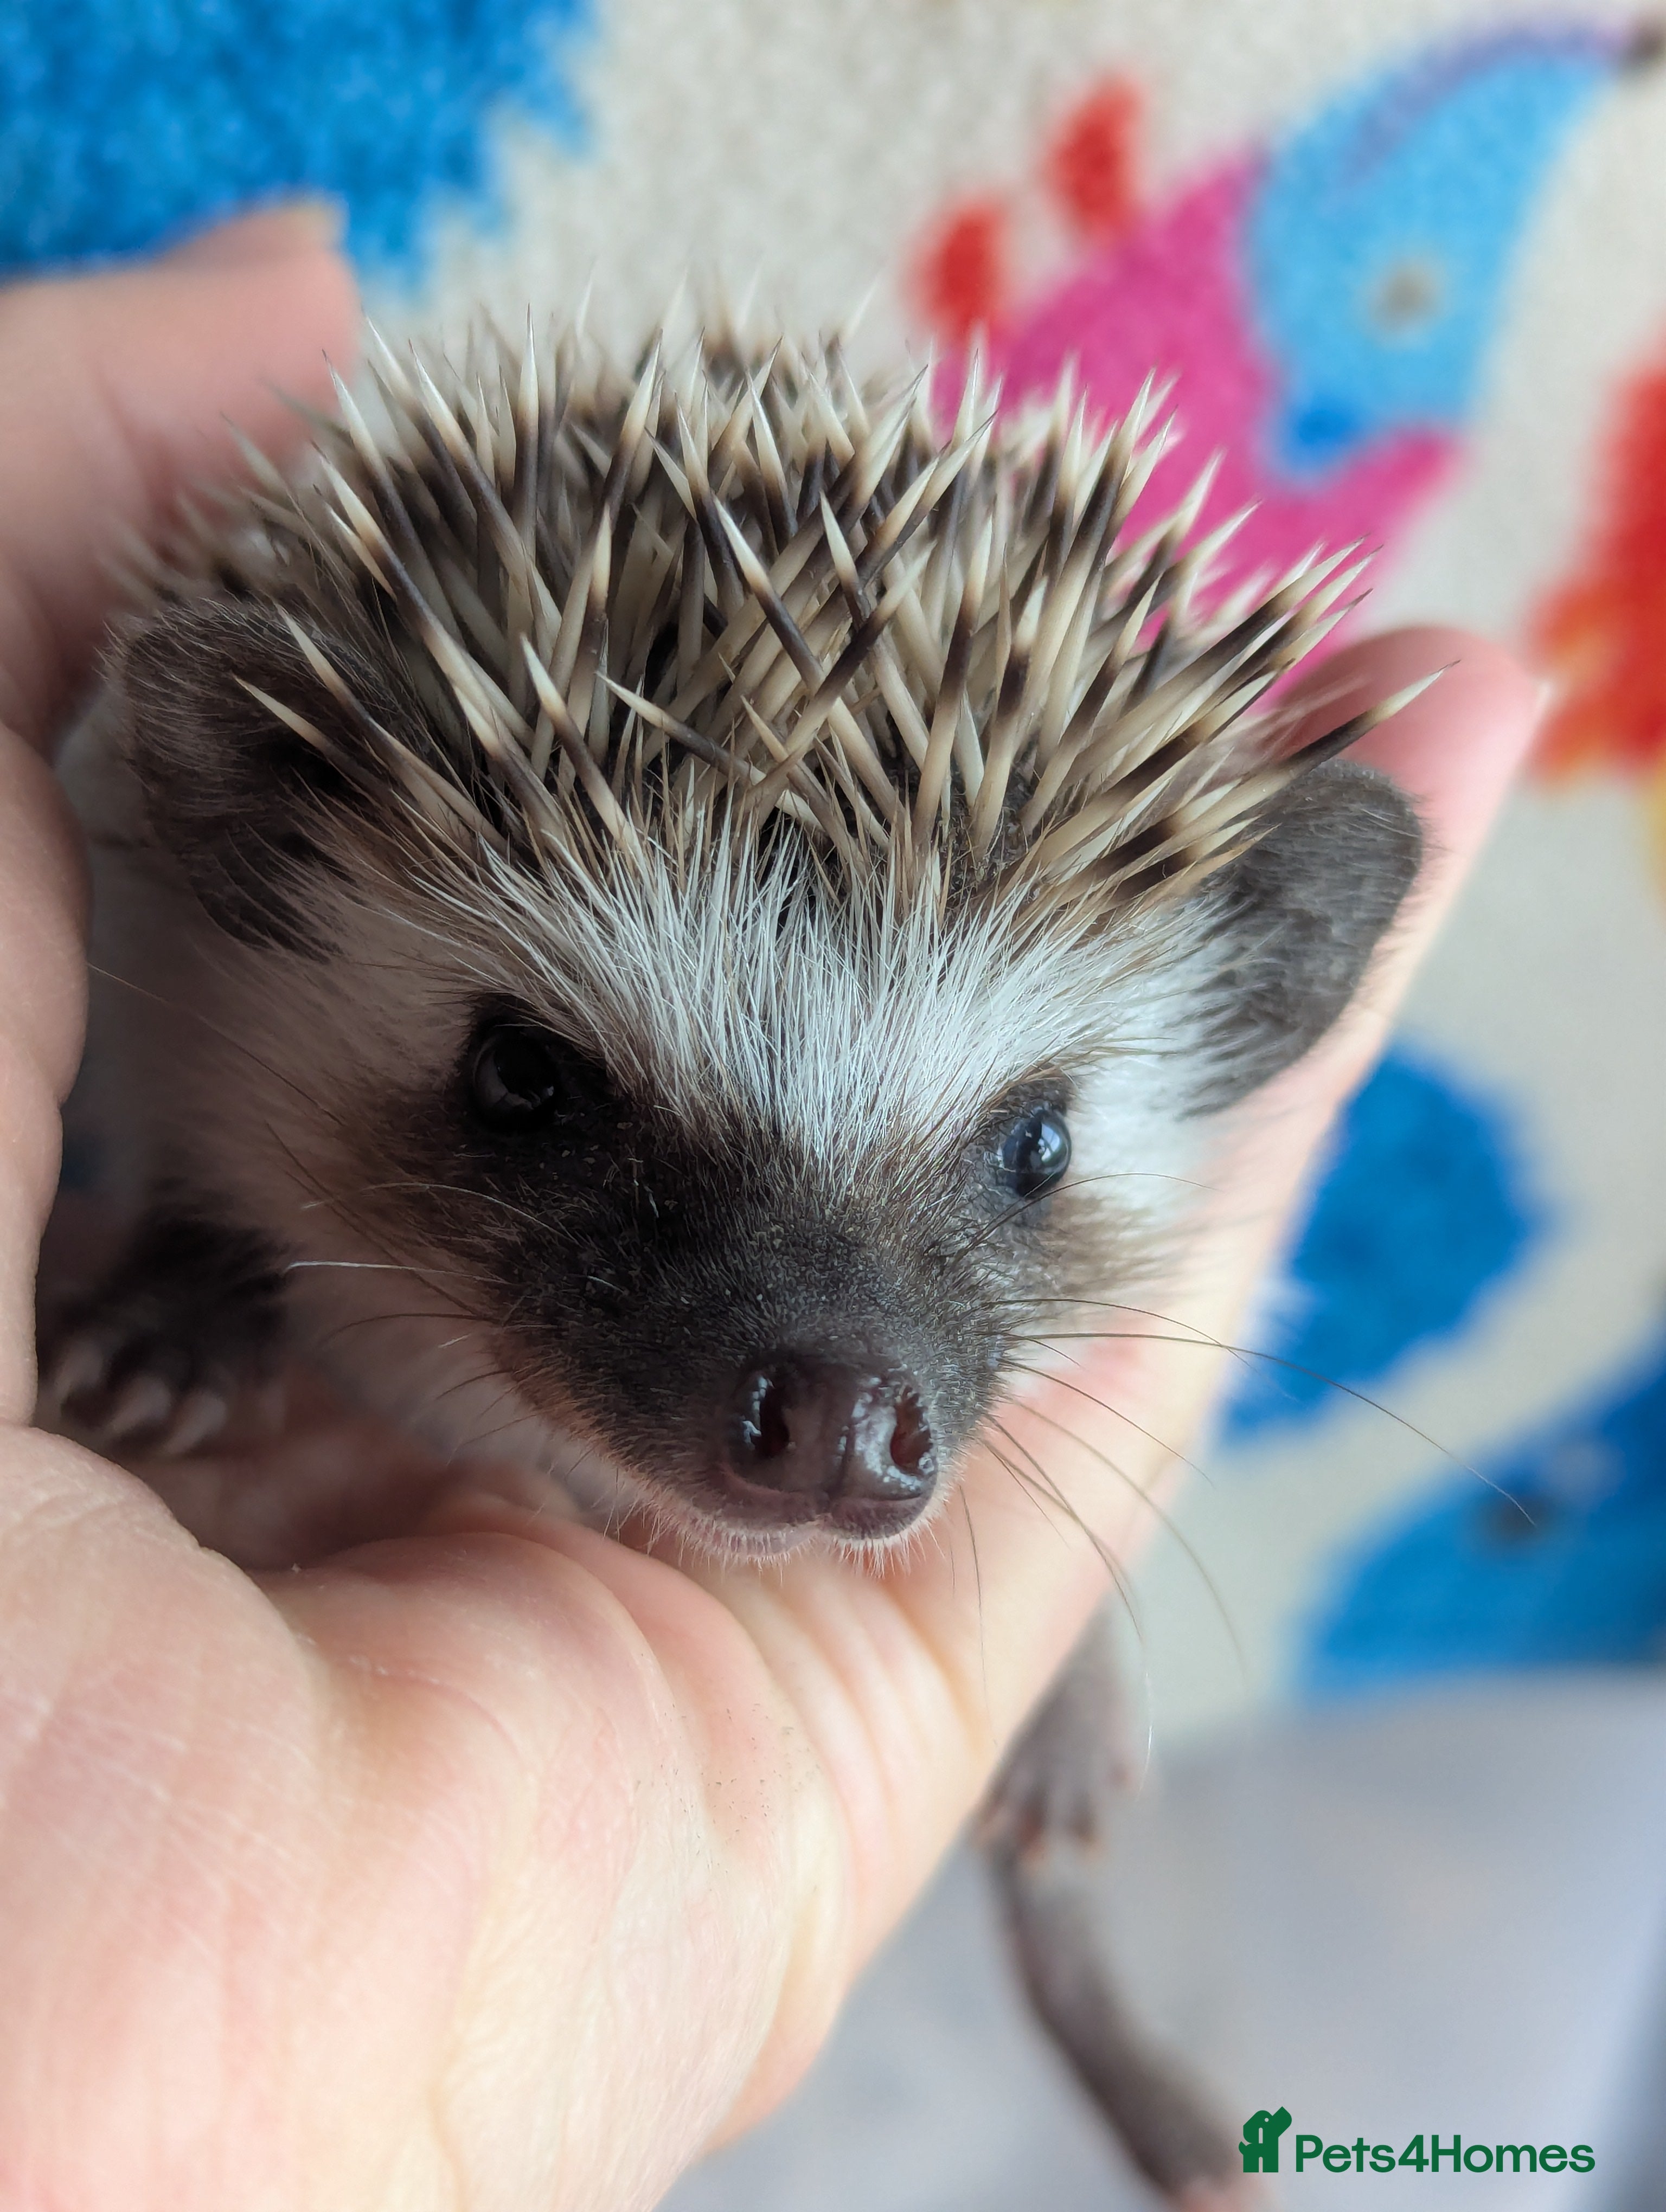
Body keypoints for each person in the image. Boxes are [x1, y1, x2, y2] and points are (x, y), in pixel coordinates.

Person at [0, 207, 1541, 2210]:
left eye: (1021, 1158)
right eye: (538, 1089)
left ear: (1261, 999)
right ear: (257, 859)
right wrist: (209, 1277)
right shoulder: (196, 1003)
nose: (825, 1381)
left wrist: (1055, 1624)